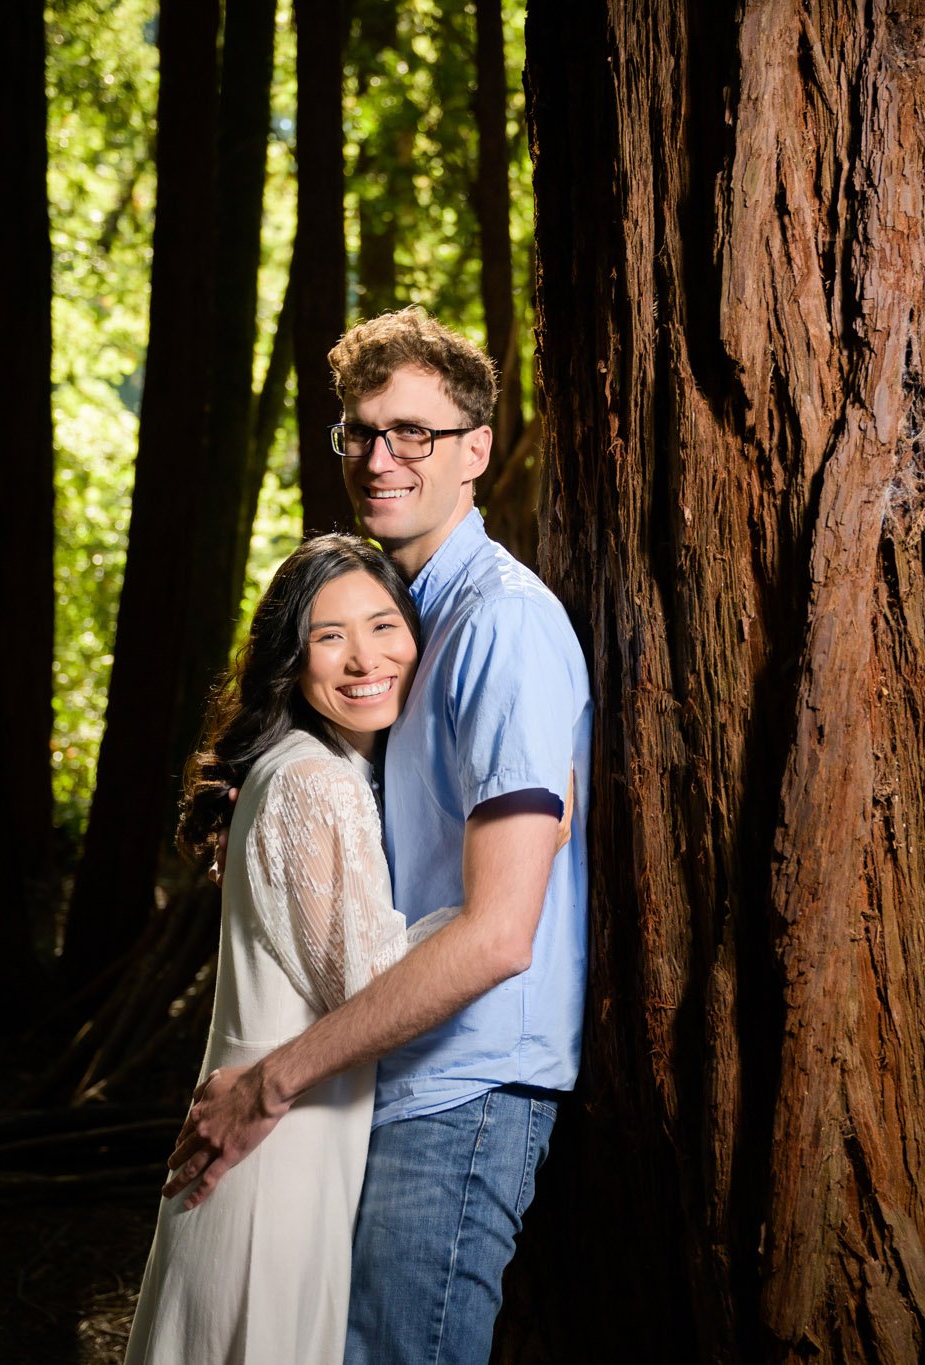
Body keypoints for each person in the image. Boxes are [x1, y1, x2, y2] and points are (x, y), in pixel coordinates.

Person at [164, 307, 592, 1365]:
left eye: (414, 432)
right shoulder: (411, 619)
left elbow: (499, 935)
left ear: (476, 451)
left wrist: (271, 1080)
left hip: (463, 1088)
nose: (379, 457)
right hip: (392, 1078)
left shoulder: (499, 623)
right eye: (359, 432)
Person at [124, 534, 427, 1362]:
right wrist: (501, 898)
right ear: (292, 660)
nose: (365, 657)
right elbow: (373, 993)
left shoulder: (309, 766)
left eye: (382, 624)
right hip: (272, 1171)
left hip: (282, 1156)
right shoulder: (312, 781)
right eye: (329, 637)